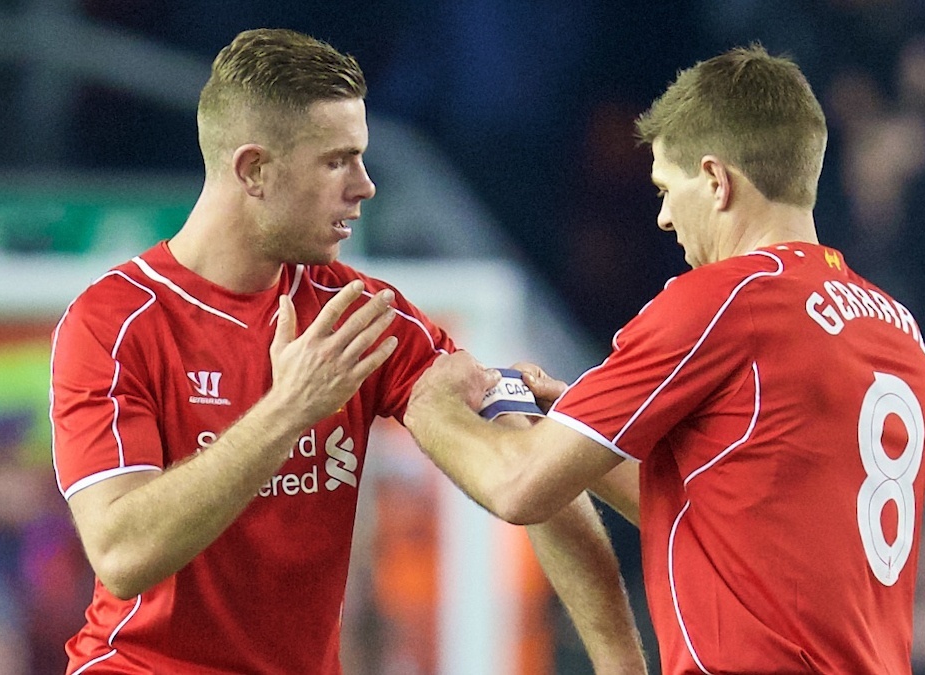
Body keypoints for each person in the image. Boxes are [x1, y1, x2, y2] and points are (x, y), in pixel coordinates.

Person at [49, 28, 646, 674]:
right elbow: (122, 552)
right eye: (337, 161)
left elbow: (526, 475)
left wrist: (622, 665)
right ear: (254, 169)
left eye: (361, 158)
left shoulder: (358, 315)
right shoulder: (114, 322)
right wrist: (289, 410)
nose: (365, 185)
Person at [405, 45, 925, 674]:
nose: (661, 216)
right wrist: (582, 434)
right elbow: (726, 517)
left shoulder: (725, 301)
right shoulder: (900, 332)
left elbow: (517, 485)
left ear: (716, 181)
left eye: (666, 187)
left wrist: (427, 404)